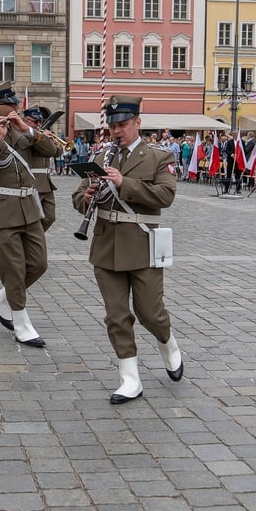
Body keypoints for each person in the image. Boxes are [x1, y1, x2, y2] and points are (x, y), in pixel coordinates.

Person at [71, 95, 183, 404]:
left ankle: (168, 343)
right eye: (113, 126)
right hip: (106, 245)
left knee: (150, 312)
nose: (117, 132)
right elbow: (78, 197)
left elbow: (165, 196)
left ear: (137, 124)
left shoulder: (159, 157)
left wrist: (125, 183)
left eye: (123, 125)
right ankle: (129, 378)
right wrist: (87, 194)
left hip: (143, 244)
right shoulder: (102, 155)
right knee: (117, 316)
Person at [0, 81, 56, 348]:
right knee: (14, 269)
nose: (17, 107)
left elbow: (51, 152)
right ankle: (21, 323)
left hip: (28, 208)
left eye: (16, 103)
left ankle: (2, 298)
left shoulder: (21, 130)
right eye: (11, 104)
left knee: (39, 264)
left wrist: (27, 129)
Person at [22, 106, 62, 231]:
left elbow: (57, 152)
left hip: (46, 183)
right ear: (26, 120)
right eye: (35, 121)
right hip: (34, 182)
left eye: (40, 121)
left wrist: (48, 139)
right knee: (33, 218)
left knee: (50, 217)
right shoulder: (23, 135)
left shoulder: (40, 135)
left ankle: (34, 238)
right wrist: (41, 137)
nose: (38, 124)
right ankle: (32, 239)